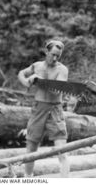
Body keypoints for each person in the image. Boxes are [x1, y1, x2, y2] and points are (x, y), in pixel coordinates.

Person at [18, 40, 70, 177]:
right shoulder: (36, 66)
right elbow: (21, 74)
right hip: (38, 109)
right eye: (53, 54)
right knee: (31, 148)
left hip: (55, 110)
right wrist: (27, 82)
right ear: (46, 52)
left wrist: (38, 80)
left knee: (62, 150)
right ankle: (28, 179)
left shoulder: (62, 70)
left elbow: (56, 91)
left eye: (58, 56)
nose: (55, 58)